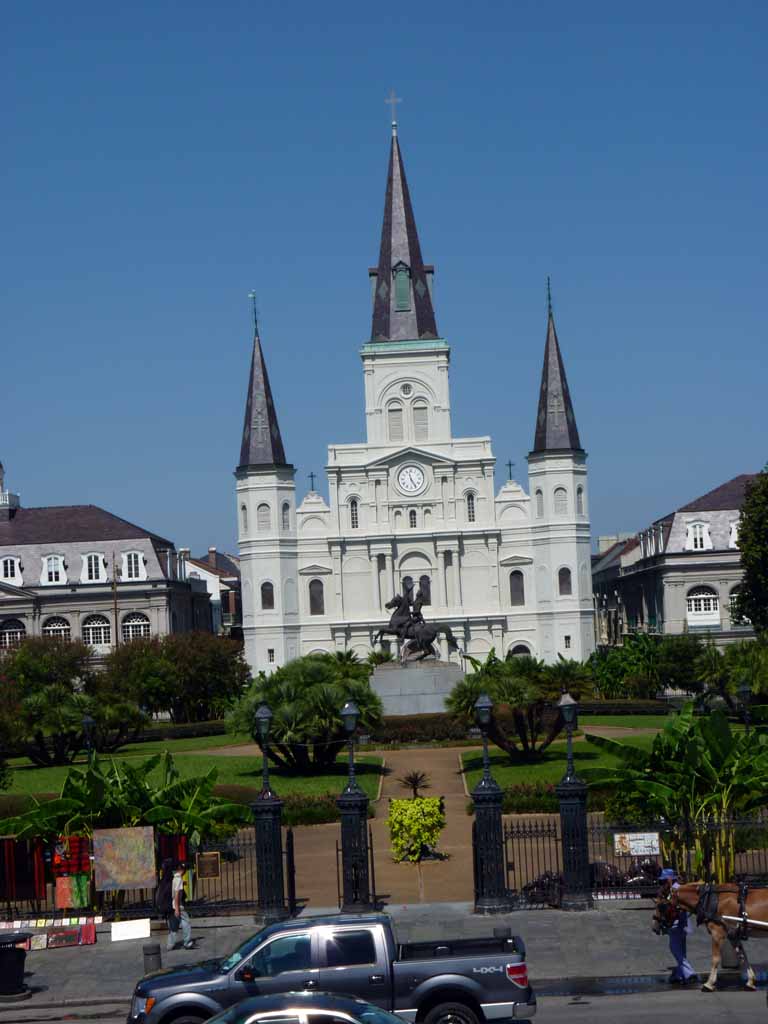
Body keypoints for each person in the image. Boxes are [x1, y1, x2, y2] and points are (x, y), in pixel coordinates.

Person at [659, 867, 697, 984]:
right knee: (681, 951)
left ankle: (690, 973)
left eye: (663, 881)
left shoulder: (674, 891)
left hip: (677, 924)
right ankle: (678, 974)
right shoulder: (676, 889)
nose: (661, 884)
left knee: (675, 949)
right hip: (683, 924)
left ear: (669, 880)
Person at [169, 859, 194, 951]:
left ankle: (170, 944)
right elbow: (176, 894)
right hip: (178, 905)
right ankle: (187, 942)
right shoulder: (179, 879)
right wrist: (177, 908)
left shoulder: (175, 878)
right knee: (186, 922)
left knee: (175, 925)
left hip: (174, 905)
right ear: (183, 870)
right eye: (186, 870)